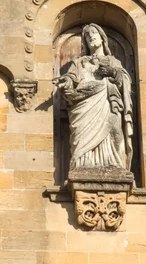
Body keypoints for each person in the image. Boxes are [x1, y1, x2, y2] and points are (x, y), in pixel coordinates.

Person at [55, 23, 133, 170]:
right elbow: (71, 77)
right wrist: (66, 81)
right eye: (87, 35)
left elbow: (125, 82)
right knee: (82, 136)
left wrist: (112, 72)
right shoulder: (79, 62)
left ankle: (115, 165)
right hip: (85, 105)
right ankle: (83, 164)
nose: (91, 36)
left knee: (115, 132)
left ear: (102, 37)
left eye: (94, 33)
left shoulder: (113, 61)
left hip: (108, 102)